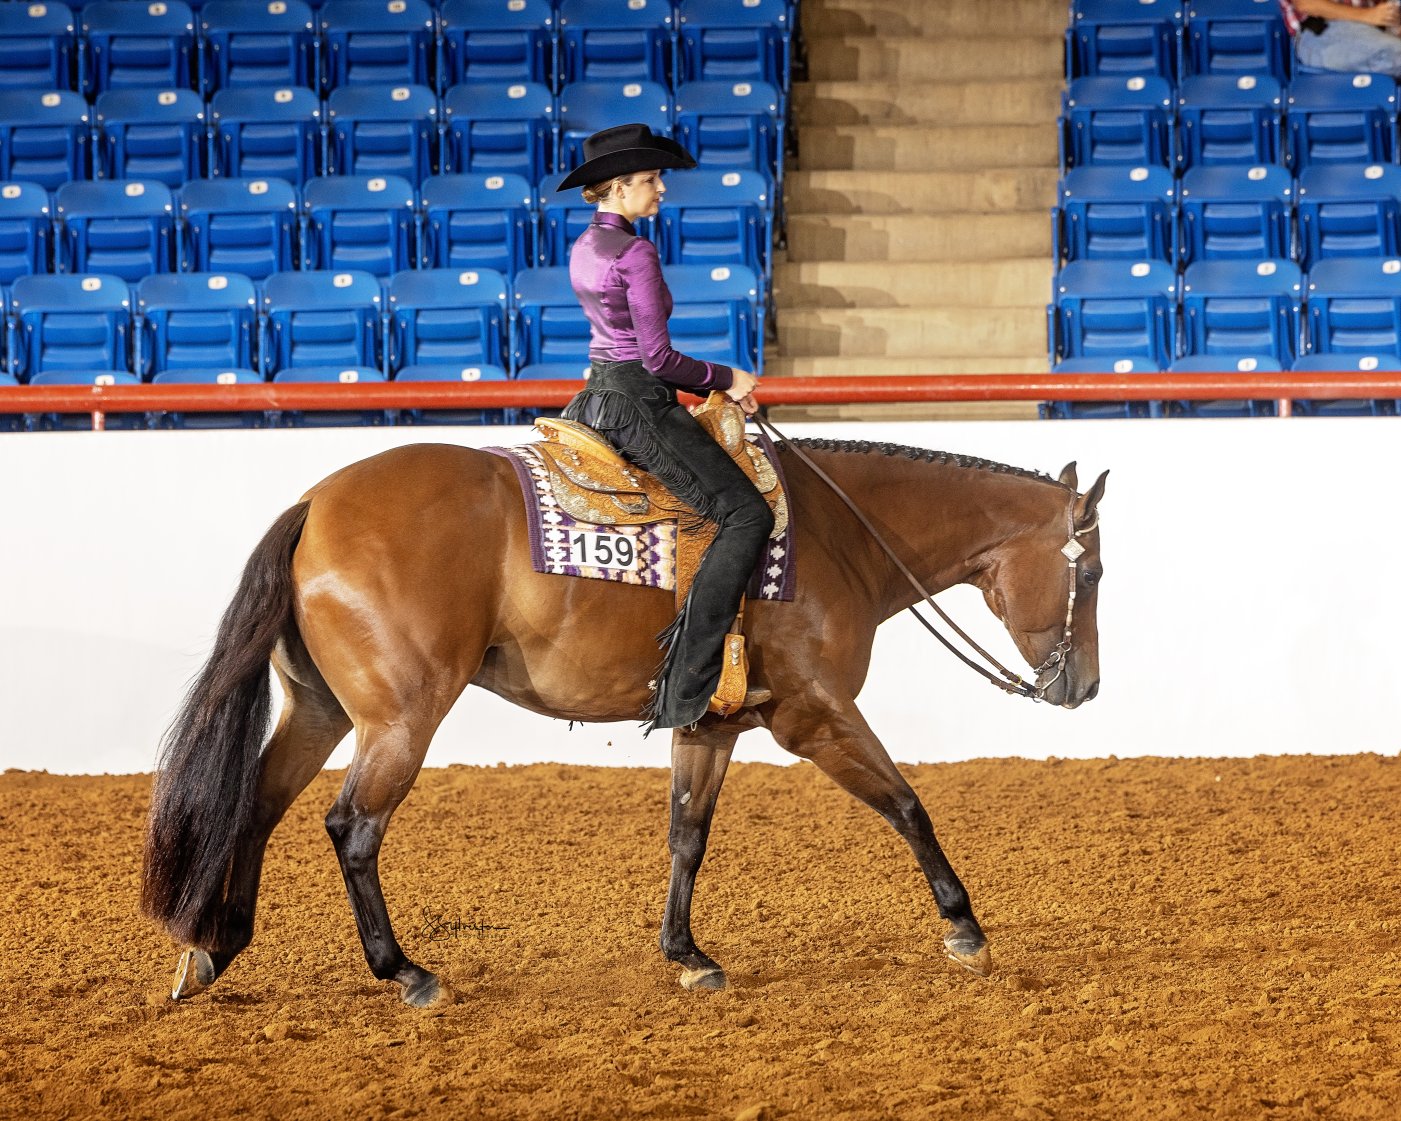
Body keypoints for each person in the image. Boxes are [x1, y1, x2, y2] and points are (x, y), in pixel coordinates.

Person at [555, 122, 774, 732]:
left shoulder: (585, 245)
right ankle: (692, 686)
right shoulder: (635, 252)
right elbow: (658, 360)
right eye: (652, 179)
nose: (661, 189)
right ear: (620, 186)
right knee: (747, 516)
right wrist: (728, 378)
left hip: (597, 396)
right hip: (637, 402)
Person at [1281, 0, 1401, 77]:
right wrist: (1367, 15)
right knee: (1395, 53)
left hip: (1374, 31)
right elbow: (1306, 4)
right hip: (1323, 32)